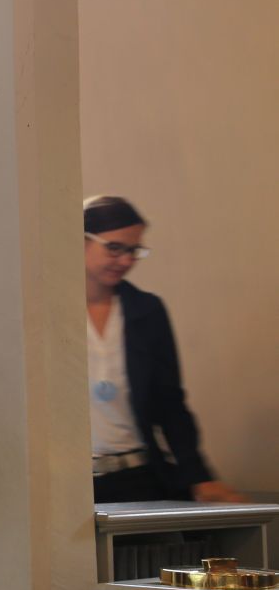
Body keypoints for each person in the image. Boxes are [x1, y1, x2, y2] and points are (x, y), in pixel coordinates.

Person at [84, 195, 244, 504]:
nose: (126, 261)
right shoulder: (45, 311)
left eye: (134, 251)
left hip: (137, 477)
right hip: (67, 484)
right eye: (115, 248)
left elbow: (169, 402)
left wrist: (200, 476)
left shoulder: (146, 310)